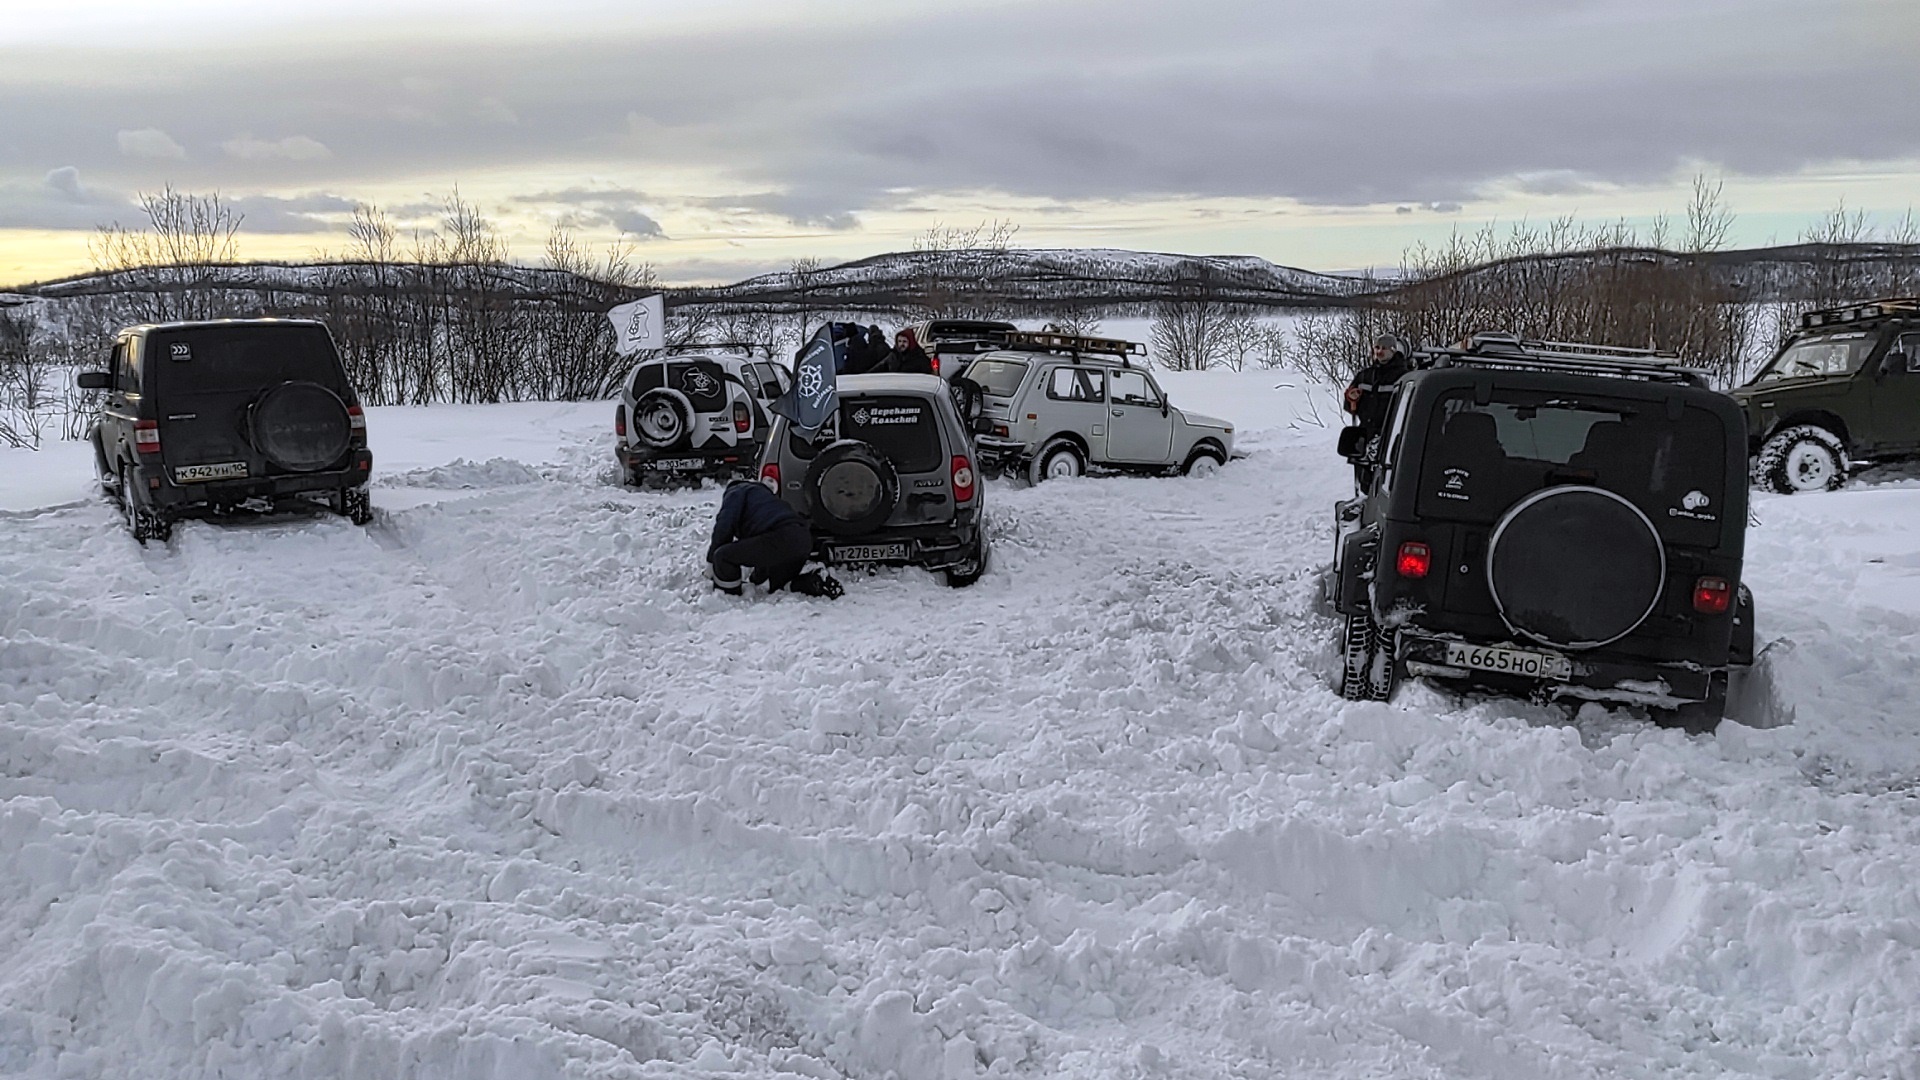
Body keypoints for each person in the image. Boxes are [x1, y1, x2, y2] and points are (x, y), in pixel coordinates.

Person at [707, 479, 842, 598]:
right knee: (781, 586)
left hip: (779, 537)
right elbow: (762, 550)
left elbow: (724, 525)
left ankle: (728, 598)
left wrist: (712, 562)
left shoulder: (737, 492)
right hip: (802, 539)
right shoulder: (767, 499)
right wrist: (755, 580)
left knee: (723, 556)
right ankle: (814, 581)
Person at [1342, 333, 1412, 488]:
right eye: (1377, 347)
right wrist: (1351, 399)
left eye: (1384, 348)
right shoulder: (1365, 376)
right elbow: (1350, 406)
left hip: (1391, 437)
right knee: (1365, 482)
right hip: (1365, 436)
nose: (1379, 352)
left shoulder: (1403, 377)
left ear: (1393, 351)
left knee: (1387, 483)